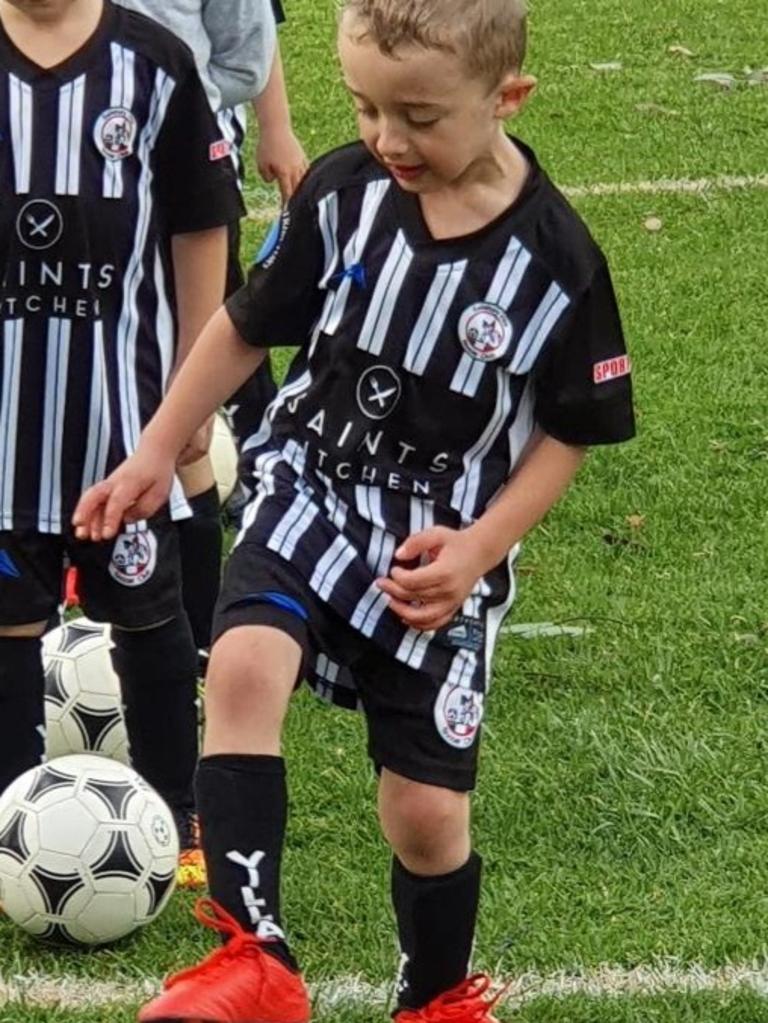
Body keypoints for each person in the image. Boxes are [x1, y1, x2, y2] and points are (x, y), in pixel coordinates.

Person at [74, 0, 636, 1020]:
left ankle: (437, 994)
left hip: (437, 542)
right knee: (242, 666)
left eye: (419, 116)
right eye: (366, 107)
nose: (387, 139)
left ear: (508, 97)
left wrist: (478, 549)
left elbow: (573, 430)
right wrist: (161, 447)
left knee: (422, 812)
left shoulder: (556, 260)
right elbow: (248, 326)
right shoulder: (342, 194)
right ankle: (255, 956)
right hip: (313, 479)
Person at [0, 0, 243, 882]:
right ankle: (13, 821)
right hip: (2, 436)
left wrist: (191, 391)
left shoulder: (156, 63)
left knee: (150, 618)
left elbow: (200, 225)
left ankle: (179, 812)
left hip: (121, 426)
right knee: (9, 622)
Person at [114, 0, 308, 660]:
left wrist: (270, 123)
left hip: (181, 171)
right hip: (63, 171)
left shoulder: (167, 85)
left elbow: (247, 47)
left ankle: (195, 631)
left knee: (188, 377)